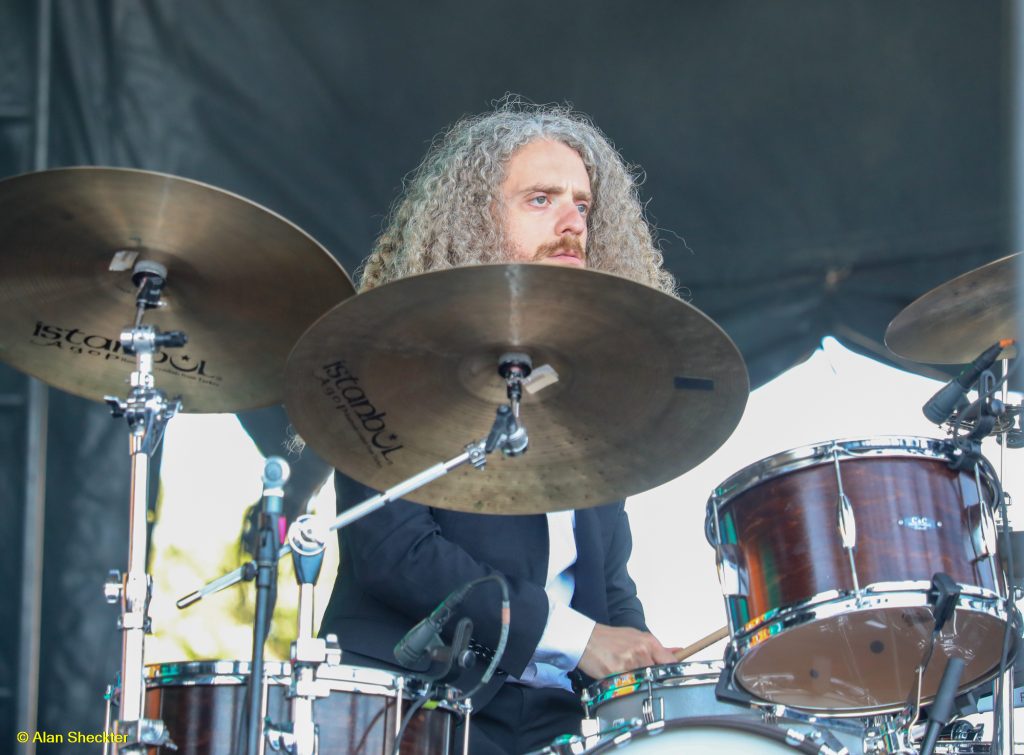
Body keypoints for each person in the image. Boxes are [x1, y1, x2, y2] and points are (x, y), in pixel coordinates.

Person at [319, 100, 679, 754]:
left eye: (583, 205)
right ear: (474, 221)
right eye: (541, 199)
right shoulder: (393, 365)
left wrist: (641, 663)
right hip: (411, 704)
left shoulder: (592, 393)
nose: (573, 223)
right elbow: (393, 550)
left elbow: (606, 583)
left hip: (554, 716)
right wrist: (579, 639)